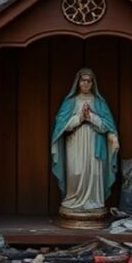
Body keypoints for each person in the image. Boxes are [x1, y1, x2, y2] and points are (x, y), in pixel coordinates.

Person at [51, 68, 120, 225]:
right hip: (74, 142)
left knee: (93, 173)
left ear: (93, 83)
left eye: (89, 81)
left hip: (94, 142)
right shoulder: (70, 102)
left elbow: (108, 126)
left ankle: (94, 203)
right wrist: (80, 118)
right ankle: (73, 201)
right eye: (83, 80)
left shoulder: (99, 102)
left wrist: (92, 118)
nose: (86, 83)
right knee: (76, 172)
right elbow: (61, 126)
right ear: (78, 82)